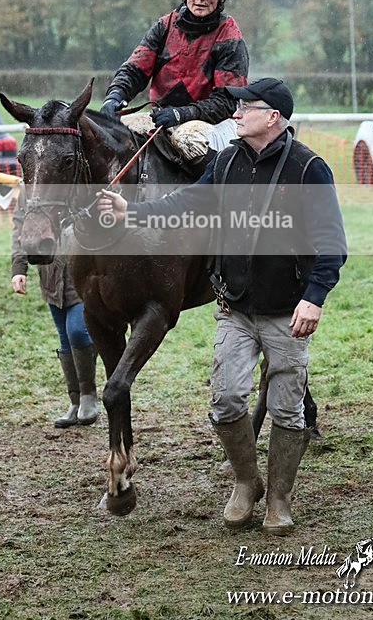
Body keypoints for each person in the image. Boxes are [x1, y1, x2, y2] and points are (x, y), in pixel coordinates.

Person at [97, 77, 347, 535]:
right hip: (234, 308)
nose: (235, 113)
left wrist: (314, 297)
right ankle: (245, 484)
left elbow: (332, 241)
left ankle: (279, 498)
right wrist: (132, 212)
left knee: (287, 410)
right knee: (227, 401)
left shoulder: (309, 168)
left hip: (287, 312)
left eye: (245, 107)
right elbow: (191, 201)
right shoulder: (228, 159)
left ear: (272, 116)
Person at [100, 0, 249, 152]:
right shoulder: (164, 26)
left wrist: (182, 114)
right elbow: (135, 70)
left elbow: (225, 102)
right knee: (110, 135)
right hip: (163, 116)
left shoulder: (230, 36)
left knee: (189, 140)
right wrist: (115, 96)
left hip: (216, 125)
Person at [11, 194, 98, 428]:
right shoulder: (29, 190)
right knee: (64, 337)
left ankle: (89, 395)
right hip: (49, 274)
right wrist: (18, 269)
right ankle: (75, 401)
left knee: (77, 331)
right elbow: (20, 227)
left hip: (82, 274)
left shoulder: (75, 177)